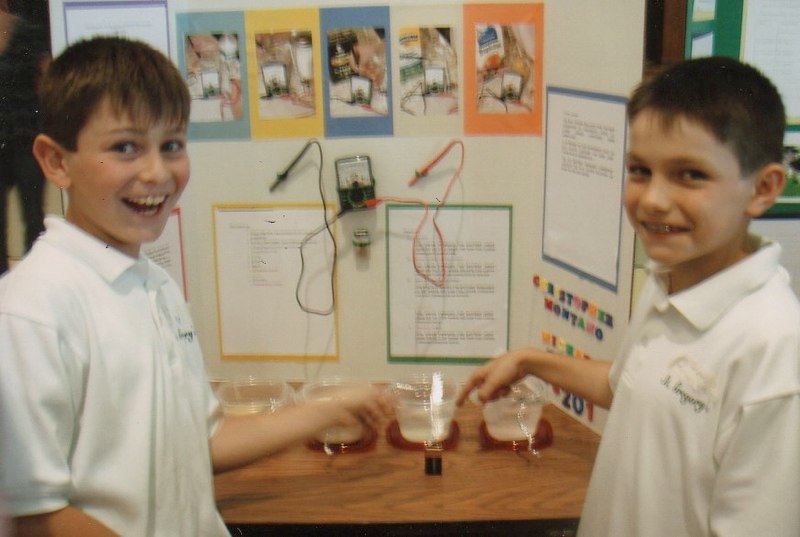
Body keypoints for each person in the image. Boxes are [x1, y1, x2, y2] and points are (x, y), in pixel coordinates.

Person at [0, 36, 392, 536]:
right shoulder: (32, 309)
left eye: (172, 145)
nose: (156, 172)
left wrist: (329, 406)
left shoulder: (154, 285)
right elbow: (37, 515)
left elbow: (200, 440)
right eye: (125, 147)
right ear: (56, 161)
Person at [458, 56, 800, 537]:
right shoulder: (669, 281)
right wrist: (531, 361)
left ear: (763, 189)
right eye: (640, 170)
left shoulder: (775, 352)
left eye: (690, 174)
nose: (653, 199)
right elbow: (631, 388)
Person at [0, 0, 50, 273]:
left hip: (27, 141)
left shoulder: (28, 33)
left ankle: (36, 278)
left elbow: (46, 81)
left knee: (33, 218)